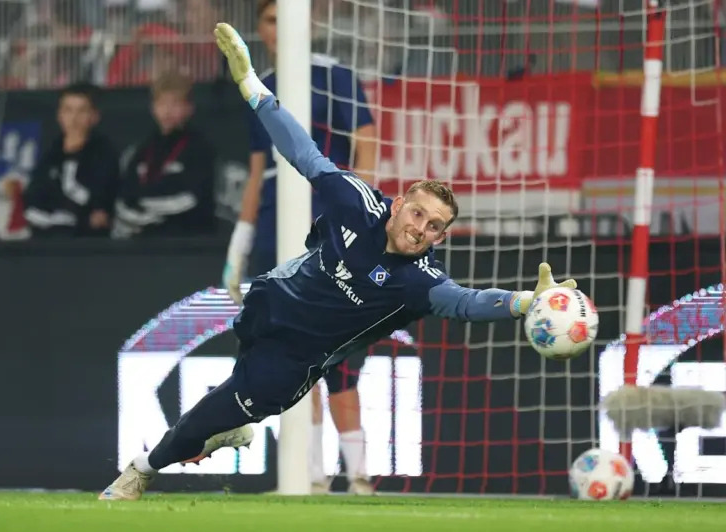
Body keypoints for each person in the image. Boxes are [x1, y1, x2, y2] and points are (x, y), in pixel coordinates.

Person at [98, 23, 577, 502]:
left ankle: (143, 469)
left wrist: (523, 302)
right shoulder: (356, 202)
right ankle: (232, 426)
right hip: (271, 297)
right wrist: (252, 86)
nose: (420, 228)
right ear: (397, 205)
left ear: (440, 237)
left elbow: (468, 303)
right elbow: (302, 152)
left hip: (296, 360)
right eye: (417, 213)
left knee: (213, 412)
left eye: (434, 226)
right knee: (233, 396)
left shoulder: (420, 283)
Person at [222, 0, 379, 494]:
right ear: (261, 29)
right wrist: (239, 244)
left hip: (327, 222)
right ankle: (309, 475)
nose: (277, 28)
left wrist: (358, 212)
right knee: (291, 350)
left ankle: (359, 475)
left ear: (306, 22)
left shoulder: (335, 75)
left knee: (340, 352)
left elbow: (367, 141)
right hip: (275, 228)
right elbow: (257, 171)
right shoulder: (258, 82)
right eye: (268, 20)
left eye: (283, 17)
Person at [114, 71, 218, 238]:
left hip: (188, 241)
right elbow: (124, 198)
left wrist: (146, 208)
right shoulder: (142, 149)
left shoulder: (199, 148)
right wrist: (143, 218)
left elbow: (194, 198)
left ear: (189, 108)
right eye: (162, 103)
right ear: (153, 108)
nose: (167, 111)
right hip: (143, 241)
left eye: (175, 103)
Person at [22, 82, 119, 238]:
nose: (74, 119)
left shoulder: (104, 155)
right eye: (68, 110)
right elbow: (33, 198)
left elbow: (99, 206)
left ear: (95, 116)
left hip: (85, 243)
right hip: (45, 241)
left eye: (82, 111)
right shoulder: (50, 155)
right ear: (59, 115)